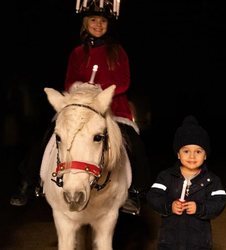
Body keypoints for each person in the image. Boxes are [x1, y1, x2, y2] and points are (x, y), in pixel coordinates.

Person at [10, 0, 151, 216]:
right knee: (49, 134)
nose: (98, 24)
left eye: (102, 21)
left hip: (113, 108)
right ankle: (29, 182)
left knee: (133, 142)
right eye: (93, 20)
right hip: (79, 106)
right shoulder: (77, 53)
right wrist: (82, 89)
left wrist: (101, 91)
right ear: (85, 23)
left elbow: (124, 81)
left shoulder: (117, 51)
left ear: (108, 25)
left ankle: (135, 191)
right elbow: (69, 82)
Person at [146, 115, 226, 250]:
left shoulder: (211, 180)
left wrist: (200, 208)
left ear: (205, 155)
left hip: (199, 243)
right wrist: (169, 206)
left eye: (198, 151)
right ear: (178, 154)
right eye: (186, 151)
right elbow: (153, 196)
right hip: (169, 242)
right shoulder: (166, 176)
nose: (192, 156)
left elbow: (220, 202)